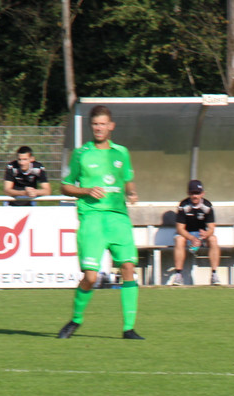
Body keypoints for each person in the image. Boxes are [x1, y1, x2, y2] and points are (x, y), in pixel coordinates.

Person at [57, 105, 144, 340]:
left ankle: (128, 328)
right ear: (91, 127)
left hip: (118, 218)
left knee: (128, 267)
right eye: (95, 124)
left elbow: (128, 179)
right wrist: (86, 190)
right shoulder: (81, 153)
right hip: (92, 219)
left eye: (103, 124)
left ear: (111, 126)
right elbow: (65, 186)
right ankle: (76, 319)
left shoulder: (121, 153)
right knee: (91, 277)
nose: (99, 128)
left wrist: (132, 192)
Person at [168, 179, 221, 286]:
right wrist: (192, 238)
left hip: (202, 236)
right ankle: (178, 275)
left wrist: (205, 235)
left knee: (213, 239)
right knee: (179, 240)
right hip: (187, 235)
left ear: (202, 193)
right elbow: (180, 228)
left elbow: (211, 228)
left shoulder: (207, 206)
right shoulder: (183, 205)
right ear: (188, 193)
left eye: (197, 193)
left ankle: (214, 274)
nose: (195, 196)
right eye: (192, 193)